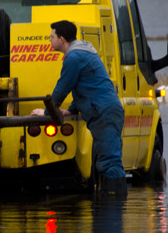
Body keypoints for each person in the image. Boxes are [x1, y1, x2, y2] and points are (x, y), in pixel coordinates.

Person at [31, 20, 127, 197]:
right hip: (105, 110)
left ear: (61, 39)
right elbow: (85, 85)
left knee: (109, 162)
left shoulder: (74, 57)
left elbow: (63, 88)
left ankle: (115, 209)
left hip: (103, 113)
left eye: (52, 36)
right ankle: (111, 209)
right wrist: (73, 110)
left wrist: (47, 112)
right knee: (106, 160)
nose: (49, 40)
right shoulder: (82, 52)